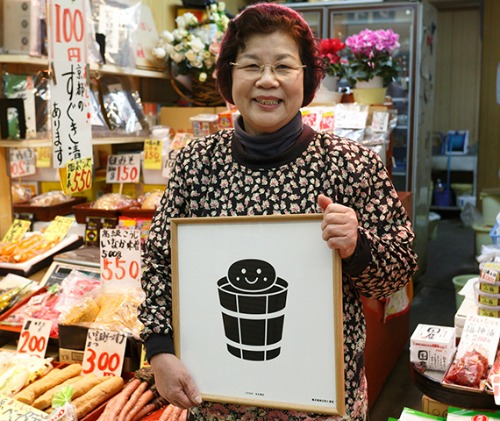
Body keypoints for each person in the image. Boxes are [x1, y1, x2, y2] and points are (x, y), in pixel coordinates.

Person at [138, 3, 418, 420]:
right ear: (229, 75)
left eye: (284, 66)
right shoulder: (195, 162)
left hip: (321, 405)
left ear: (306, 77)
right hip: (217, 402)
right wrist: (159, 349)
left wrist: (357, 246)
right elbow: (161, 261)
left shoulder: (350, 163)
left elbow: (398, 271)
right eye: (251, 65)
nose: (267, 80)